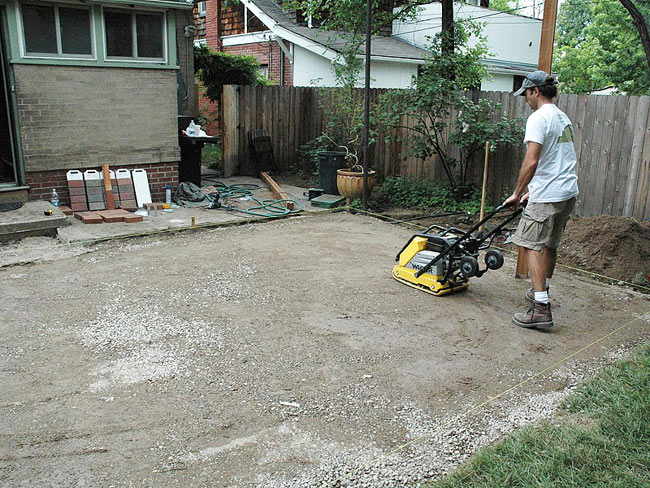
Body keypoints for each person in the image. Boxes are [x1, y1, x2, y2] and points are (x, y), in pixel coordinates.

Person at [504, 70, 579, 330]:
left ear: (535, 91)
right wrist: (532, 191)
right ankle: (542, 292)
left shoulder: (538, 118)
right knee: (550, 244)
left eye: (526, 93)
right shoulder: (562, 117)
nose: (525, 98)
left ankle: (540, 309)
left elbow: (532, 160)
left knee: (529, 244)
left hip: (548, 195)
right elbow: (557, 159)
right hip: (566, 192)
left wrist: (517, 192)